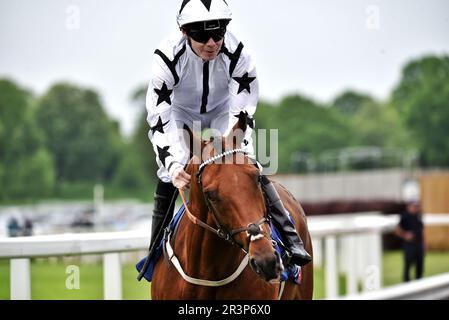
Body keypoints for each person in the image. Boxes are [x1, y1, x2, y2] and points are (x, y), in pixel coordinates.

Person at [145, 0, 311, 267]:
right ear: (184, 32)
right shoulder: (166, 57)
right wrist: (173, 163)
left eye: (218, 33)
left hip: (226, 111)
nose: (211, 42)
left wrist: (233, 149)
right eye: (201, 34)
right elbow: (159, 117)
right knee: (169, 173)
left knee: (246, 164)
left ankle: (291, 240)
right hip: (180, 114)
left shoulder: (240, 54)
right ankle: (154, 254)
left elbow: (242, 112)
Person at [394, 200, 425, 282]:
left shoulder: (419, 215)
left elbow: (422, 230)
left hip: (419, 244)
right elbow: (397, 230)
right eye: (414, 206)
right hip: (409, 245)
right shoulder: (404, 216)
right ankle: (406, 283)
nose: (416, 208)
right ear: (409, 207)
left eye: (417, 206)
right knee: (408, 265)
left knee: (420, 265)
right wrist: (405, 235)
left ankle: (419, 283)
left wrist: (424, 243)